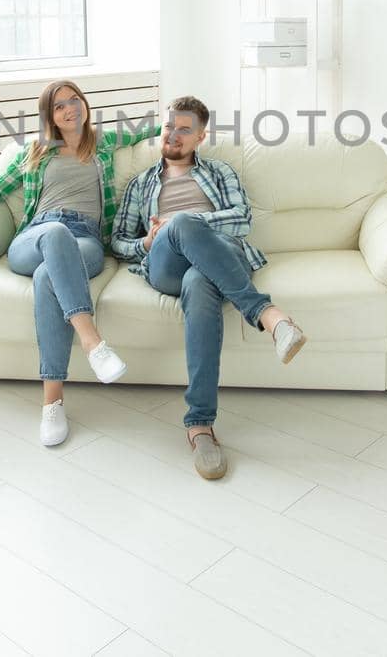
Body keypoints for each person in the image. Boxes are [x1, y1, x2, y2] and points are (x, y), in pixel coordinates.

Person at [0, 79, 159, 447]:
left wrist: (185, 124)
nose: (70, 109)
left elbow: (156, 128)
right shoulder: (35, 152)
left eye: (74, 101)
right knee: (54, 234)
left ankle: (52, 403)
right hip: (34, 237)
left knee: (49, 275)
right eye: (59, 106)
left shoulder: (105, 143)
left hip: (84, 241)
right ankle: (94, 344)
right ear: (49, 117)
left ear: (85, 103)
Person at [111, 95, 305, 479]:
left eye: (185, 129)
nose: (174, 135)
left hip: (215, 260)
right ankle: (269, 316)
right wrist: (148, 242)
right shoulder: (141, 183)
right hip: (164, 262)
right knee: (181, 226)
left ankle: (200, 426)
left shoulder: (220, 173)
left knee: (199, 279)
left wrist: (188, 223)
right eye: (170, 127)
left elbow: (242, 220)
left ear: (201, 136)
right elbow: (117, 241)